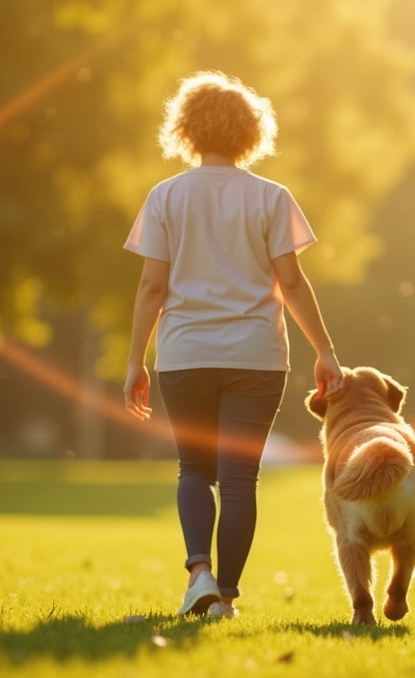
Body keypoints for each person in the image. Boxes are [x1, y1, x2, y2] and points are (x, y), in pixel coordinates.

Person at [122, 71, 343, 619]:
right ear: (251, 133)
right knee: (241, 478)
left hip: (185, 354)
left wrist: (134, 361)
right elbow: (290, 282)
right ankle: (223, 597)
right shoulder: (271, 197)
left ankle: (199, 572)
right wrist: (325, 350)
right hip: (255, 356)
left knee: (193, 470)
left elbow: (152, 285)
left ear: (187, 130)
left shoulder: (166, 196)